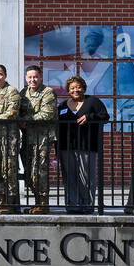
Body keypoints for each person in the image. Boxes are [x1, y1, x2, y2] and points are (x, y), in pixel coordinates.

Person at [58, 76, 109, 214]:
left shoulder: (92, 101)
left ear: (84, 88)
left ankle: (87, 206)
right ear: (68, 90)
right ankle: (72, 205)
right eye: (72, 88)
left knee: (86, 177)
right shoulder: (62, 106)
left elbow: (105, 116)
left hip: (87, 146)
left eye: (78, 87)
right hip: (66, 147)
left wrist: (90, 117)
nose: (76, 90)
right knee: (70, 177)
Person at [19, 65, 58, 214]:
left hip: (42, 139)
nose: (32, 80)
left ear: (41, 77)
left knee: (39, 171)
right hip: (27, 138)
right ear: (26, 78)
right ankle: (37, 203)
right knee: (29, 172)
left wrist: (24, 120)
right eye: (29, 77)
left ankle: (43, 204)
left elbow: (46, 114)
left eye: (35, 77)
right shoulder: (23, 93)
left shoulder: (48, 93)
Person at [0, 64, 23, 214]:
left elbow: (12, 112)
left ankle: (10, 202)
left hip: (9, 137)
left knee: (9, 169)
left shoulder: (12, 91)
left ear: (5, 75)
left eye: (0, 74)